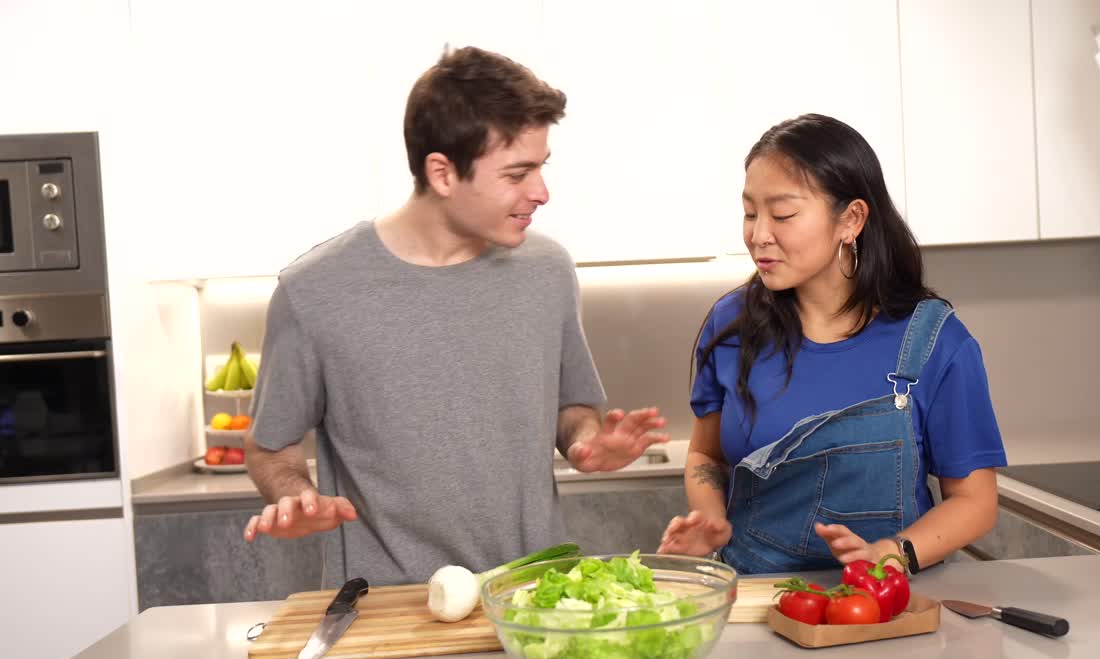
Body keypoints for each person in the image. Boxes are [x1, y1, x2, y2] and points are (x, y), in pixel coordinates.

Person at [241, 46, 668, 587]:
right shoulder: (314, 291)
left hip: (532, 598)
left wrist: (584, 440)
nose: (541, 192)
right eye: (517, 173)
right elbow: (268, 444)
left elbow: (569, 405)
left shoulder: (547, 271)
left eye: (541, 167)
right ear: (442, 173)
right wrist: (295, 496)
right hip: (387, 609)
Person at [658, 113, 1004, 575]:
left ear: (852, 219)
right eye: (749, 212)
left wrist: (892, 552)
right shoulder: (732, 325)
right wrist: (712, 519)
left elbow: (975, 502)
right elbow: (706, 454)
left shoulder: (935, 341)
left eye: (782, 214)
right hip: (758, 599)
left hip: (888, 605)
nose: (759, 234)